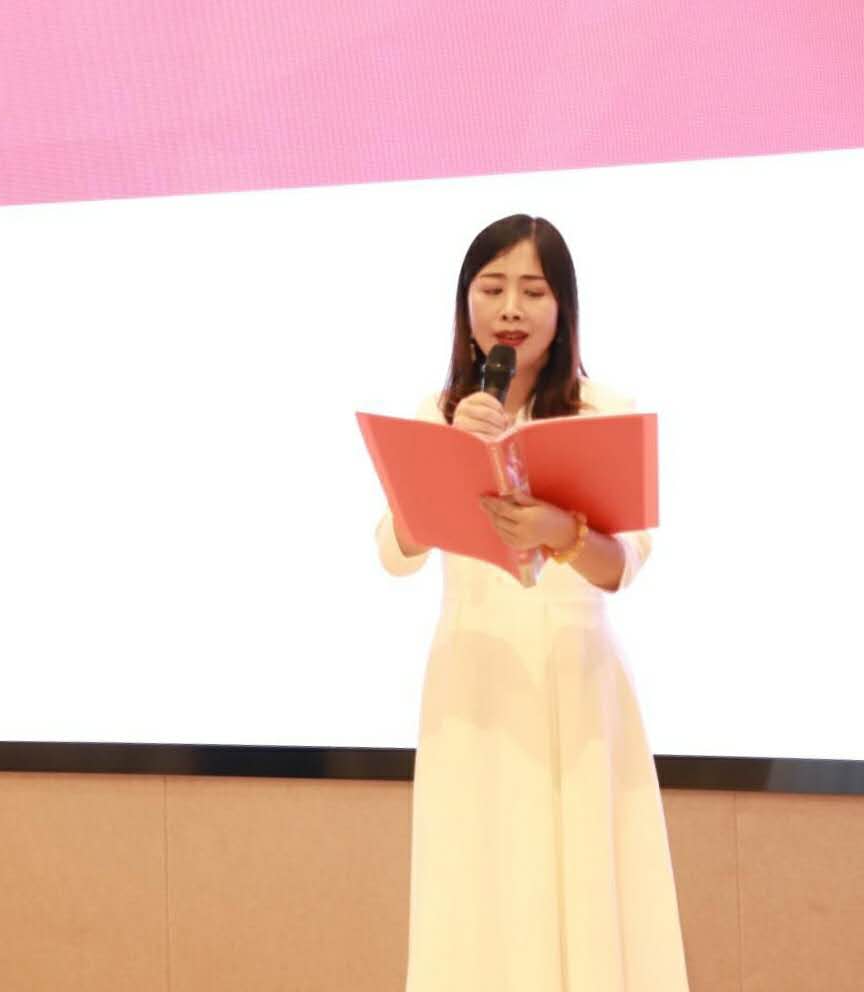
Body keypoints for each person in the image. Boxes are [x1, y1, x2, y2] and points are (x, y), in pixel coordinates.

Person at [378, 215, 688, 990]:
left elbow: (623, 566)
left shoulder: (601, 408)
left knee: (582, 885)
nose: (510, 307)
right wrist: (451, 451)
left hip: (574, 679)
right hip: (471, 680)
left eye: (533, 290)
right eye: (492, 288)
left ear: (563, 308)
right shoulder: (441, 410)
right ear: (466, 305)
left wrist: (560, 531)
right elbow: (394, 551)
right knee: (477, 883)